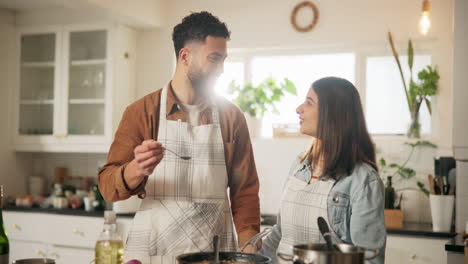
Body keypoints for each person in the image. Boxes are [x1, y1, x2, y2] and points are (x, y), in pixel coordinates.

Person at [98, 11, 260, 263]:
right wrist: (136, 168)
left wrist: (249, 247)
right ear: (185, 56)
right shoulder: (142, 112)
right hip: (152, 252)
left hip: (214, 253)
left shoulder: (231, 117)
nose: (221, 69)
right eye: (214, 59)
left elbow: (245, 193)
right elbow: (108, 188)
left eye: (223, 60)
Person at [259, 77, 386, 264]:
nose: (298, 109)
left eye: (309, 103)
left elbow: (369, 260)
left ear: (333, 114)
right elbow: (281, 233)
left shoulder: (363, 180)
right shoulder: (299, 165)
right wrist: (251, 255)